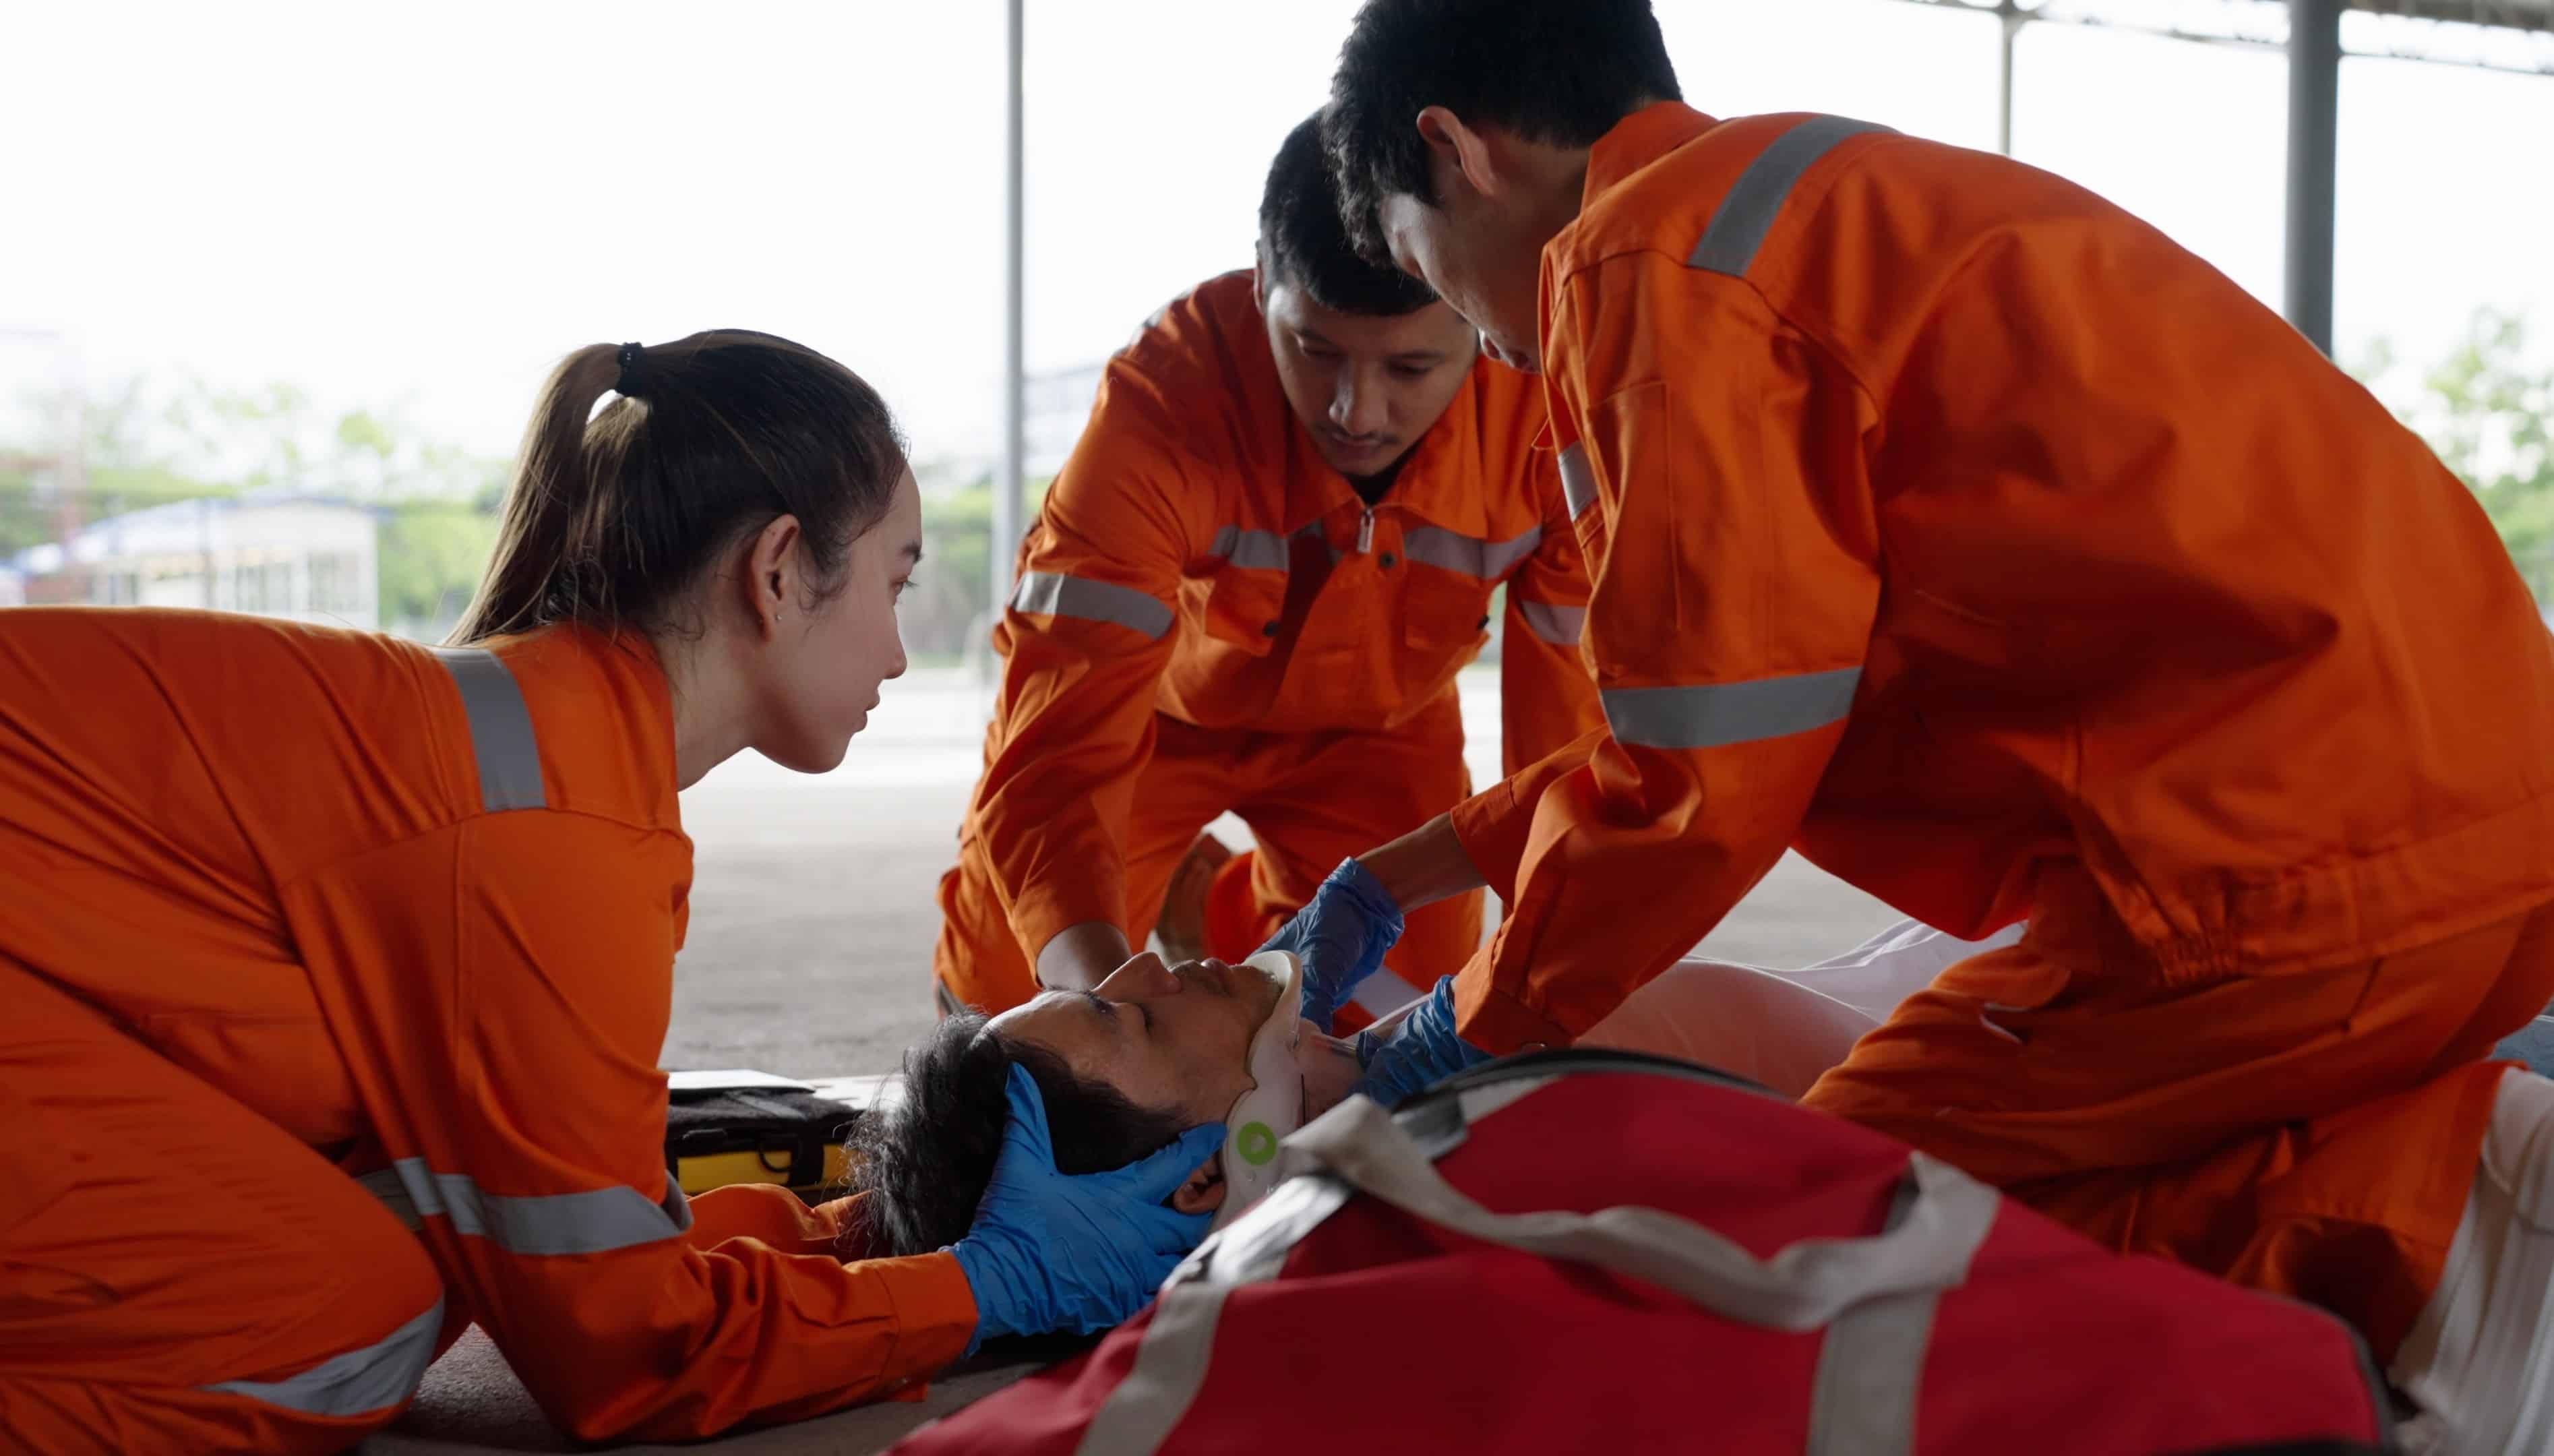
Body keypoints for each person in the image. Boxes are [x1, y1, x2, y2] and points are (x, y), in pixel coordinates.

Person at [1257, 0, 2554, 1428]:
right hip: (2470, 811)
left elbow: (1699, 784)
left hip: (2276, 870)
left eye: (1417, 267)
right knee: (2045, 1179)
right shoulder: (1820, 207)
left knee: (1818, 1237)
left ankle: (2443, 1256)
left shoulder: (1651, 270)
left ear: (1454, 149)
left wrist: (1460, 1029)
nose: (1476, 347)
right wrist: (1411, 868)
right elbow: (1716, 717)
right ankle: (2448, 1220)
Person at [0, 332, 1221, 1455]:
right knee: (336, 1319)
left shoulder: (562, 753)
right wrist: (977, 1289)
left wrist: (861, 1240)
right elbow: (629, 1350)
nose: (901, 653)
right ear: (781, 572)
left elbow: (568, 1232)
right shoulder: (554, 831)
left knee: (410, 1230)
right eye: (896, 585)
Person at [932, 113, 1601, 1029]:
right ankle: (1122, 944)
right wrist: (1102, 1006)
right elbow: (1058, 738)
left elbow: (1571, 734)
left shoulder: (1551, 402)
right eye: (1314, 349)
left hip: (1383, 739)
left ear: (1479, 318)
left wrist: (1548, 981)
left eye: (1408, 366)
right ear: (1261, 284)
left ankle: (1211, 907)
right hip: (1154, 729)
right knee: (1012, 1019)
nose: (1356, 412)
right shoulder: (1161, 400)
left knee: (1402, 1017)